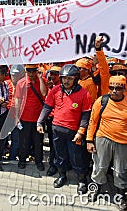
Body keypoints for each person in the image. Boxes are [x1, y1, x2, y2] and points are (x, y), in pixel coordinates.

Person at [87, 75, 127, 210]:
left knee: (120, 171)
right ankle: (95, 188)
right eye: (111, 88)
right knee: (100, 166)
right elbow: (92, 122)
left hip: (124, 142)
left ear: (124, 89)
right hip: (103, 138)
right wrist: (89, 140)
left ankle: (120, 196)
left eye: (118, 88)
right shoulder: (102, 101)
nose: (114, 91)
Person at [37, 64, 92, 194]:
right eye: (64, 78)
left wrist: (81, 132)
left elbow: (85, 115)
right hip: (57, 129)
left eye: (69, 78)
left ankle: (82, 180)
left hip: (74, 133)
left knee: (77, 157)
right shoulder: (55, 90)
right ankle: (62, 176)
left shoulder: (84, 94)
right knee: (60, 156)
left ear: (76, 79)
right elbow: (47, 107)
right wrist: (40, 122)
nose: (66, 81)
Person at [15, 64, 47, 170]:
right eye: (29, 71)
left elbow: (44, 93)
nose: (31, 73)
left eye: (33, 71)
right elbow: (17, 100)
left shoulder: (41, 81)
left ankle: (39, 161)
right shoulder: (21, 83)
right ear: (26, 71)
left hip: (39, 119)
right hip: (25, 117)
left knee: (38, 142)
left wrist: (41, 78)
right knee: (24, 141)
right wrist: (16, 116)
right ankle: (22, 160)